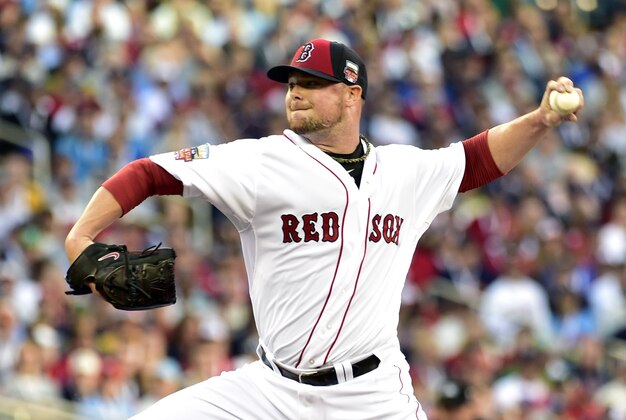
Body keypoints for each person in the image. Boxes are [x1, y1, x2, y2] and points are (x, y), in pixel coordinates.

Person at [64, 38, 584, 419]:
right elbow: (149, 173)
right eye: (292, 83)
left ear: (353, 95)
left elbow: (476, 160)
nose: (296, 92)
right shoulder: (261, 162)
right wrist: (80, 236)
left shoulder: (404, 171)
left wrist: (539, 120)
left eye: (313, 83)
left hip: (373, 396)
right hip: (269, 391)